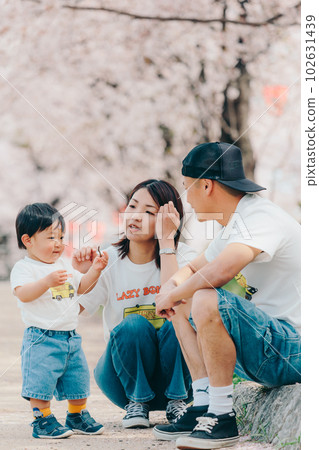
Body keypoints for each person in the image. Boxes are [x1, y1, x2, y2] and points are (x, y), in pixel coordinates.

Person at [154, 142, 301, 449]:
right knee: (186, 298)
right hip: (268, 346)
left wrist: (177, 291)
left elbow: (221, 270)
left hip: (295, 350)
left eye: (186, 188)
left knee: (205, 294)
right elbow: (195, 266)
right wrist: (171, 290)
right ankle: (204, 404)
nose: (186, 200)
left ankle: (222, 417)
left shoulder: (260, 217)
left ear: (206, 185)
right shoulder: (233, 223)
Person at [75, 179, 197, 429]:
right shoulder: (106, 259)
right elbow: (75, 311)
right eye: (132, 206)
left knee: (177, 318)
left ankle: (177, 402)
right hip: (122, 382)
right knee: (133, 325)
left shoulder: (186, 257)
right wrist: (83, 275)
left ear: (170, 220)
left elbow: (176, 302)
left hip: (181, 383)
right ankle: (137, 404)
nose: (136, 216)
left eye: (150, 212)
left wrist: (166, 244)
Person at [10, 203, 108, 439]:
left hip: (70, 337)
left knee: (78, 380)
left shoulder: (63, 265)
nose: (58, 243)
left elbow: (82, 287)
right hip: (41, 337)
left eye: (61, 236)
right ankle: (41, 419)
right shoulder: (24, 268)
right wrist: (46, 282)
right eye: (50, 237)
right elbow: (23, 293)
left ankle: (76, 414)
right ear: (28, 240)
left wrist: (94, 270)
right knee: (40, 383)